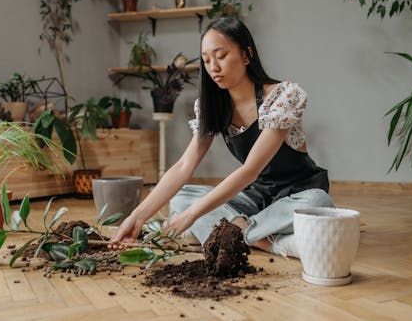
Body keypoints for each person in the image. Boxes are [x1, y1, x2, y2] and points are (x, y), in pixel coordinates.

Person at [110, 17, 334, 258]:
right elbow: (184, 166)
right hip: (256, 198)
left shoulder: (282, 96)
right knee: (182, 199)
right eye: (206, 60)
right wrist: (137, 216)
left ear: (247, 55)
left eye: (221, 56)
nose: (213, 67)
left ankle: (236, 233)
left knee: (319, 204)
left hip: (298, 194)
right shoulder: (212, 106)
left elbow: (250, 170)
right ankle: (264, 239)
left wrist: (191, 217)